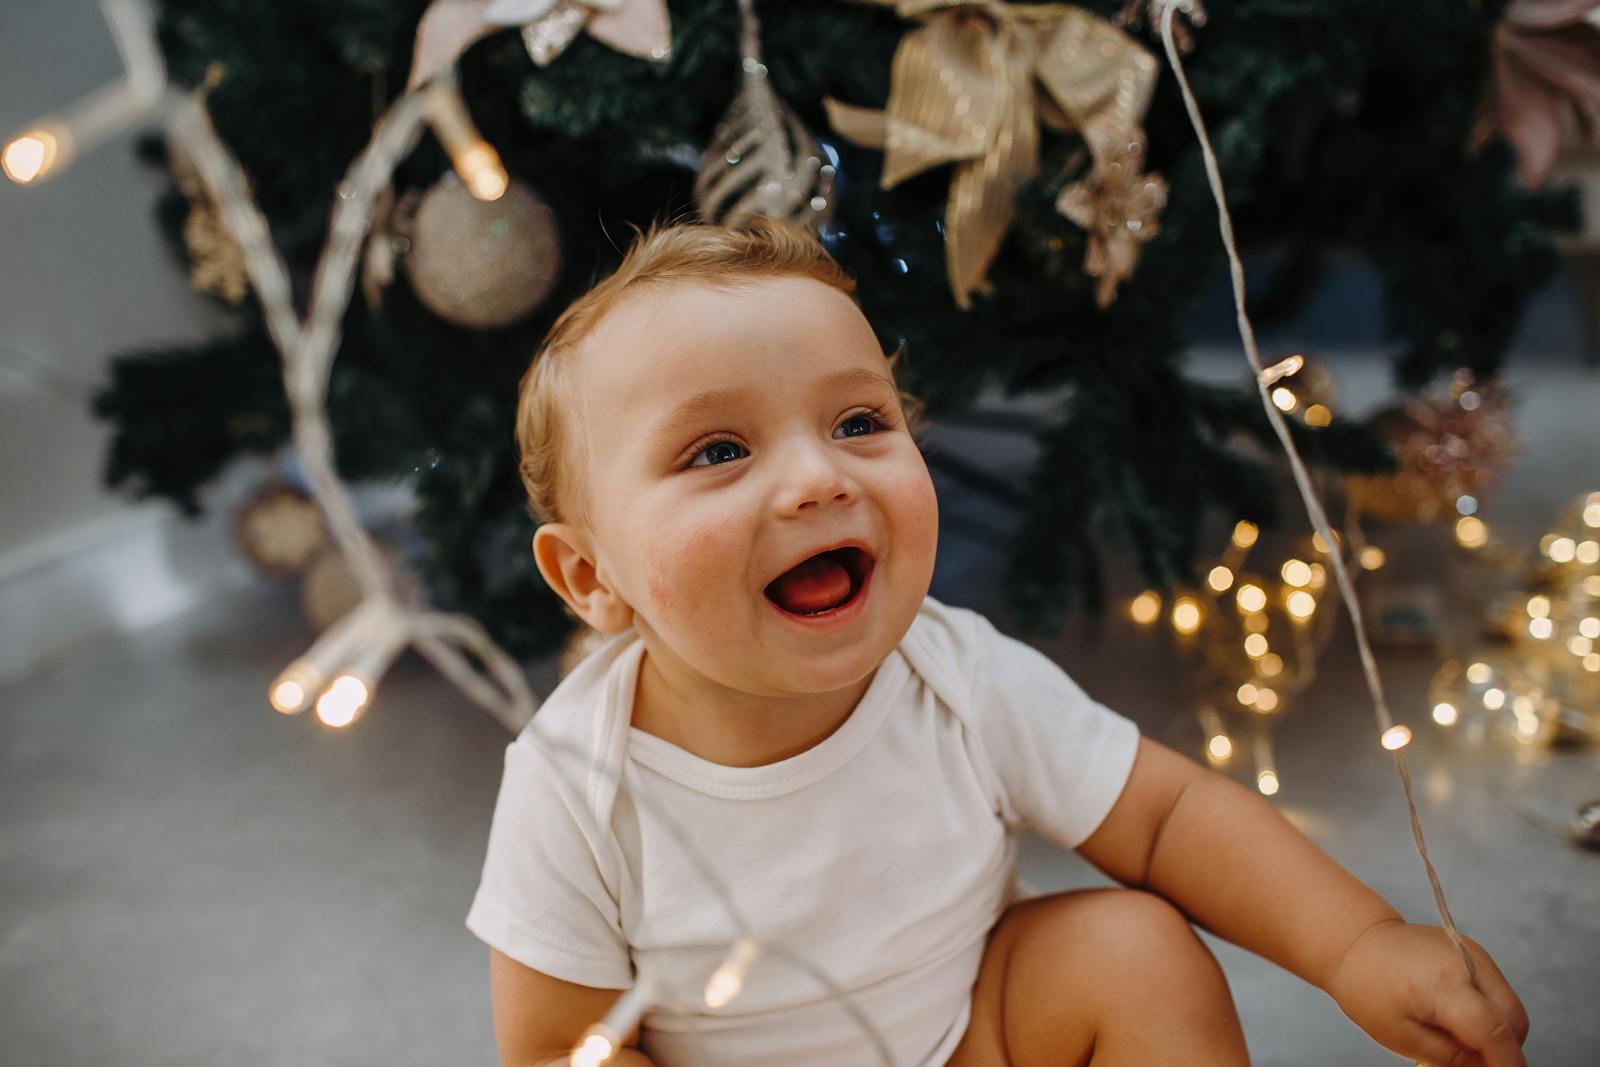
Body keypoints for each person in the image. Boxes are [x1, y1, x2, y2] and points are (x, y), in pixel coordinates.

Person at [467, 219, 1529, 1066]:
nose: (820, 477)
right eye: (717, 449)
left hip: (975, 1035)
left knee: (1134, 948)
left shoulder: (955, 672)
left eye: (857, 422)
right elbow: (562, 1045)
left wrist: (1358, 945)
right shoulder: (573, 779)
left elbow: (1165, 818)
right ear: (591, 577)